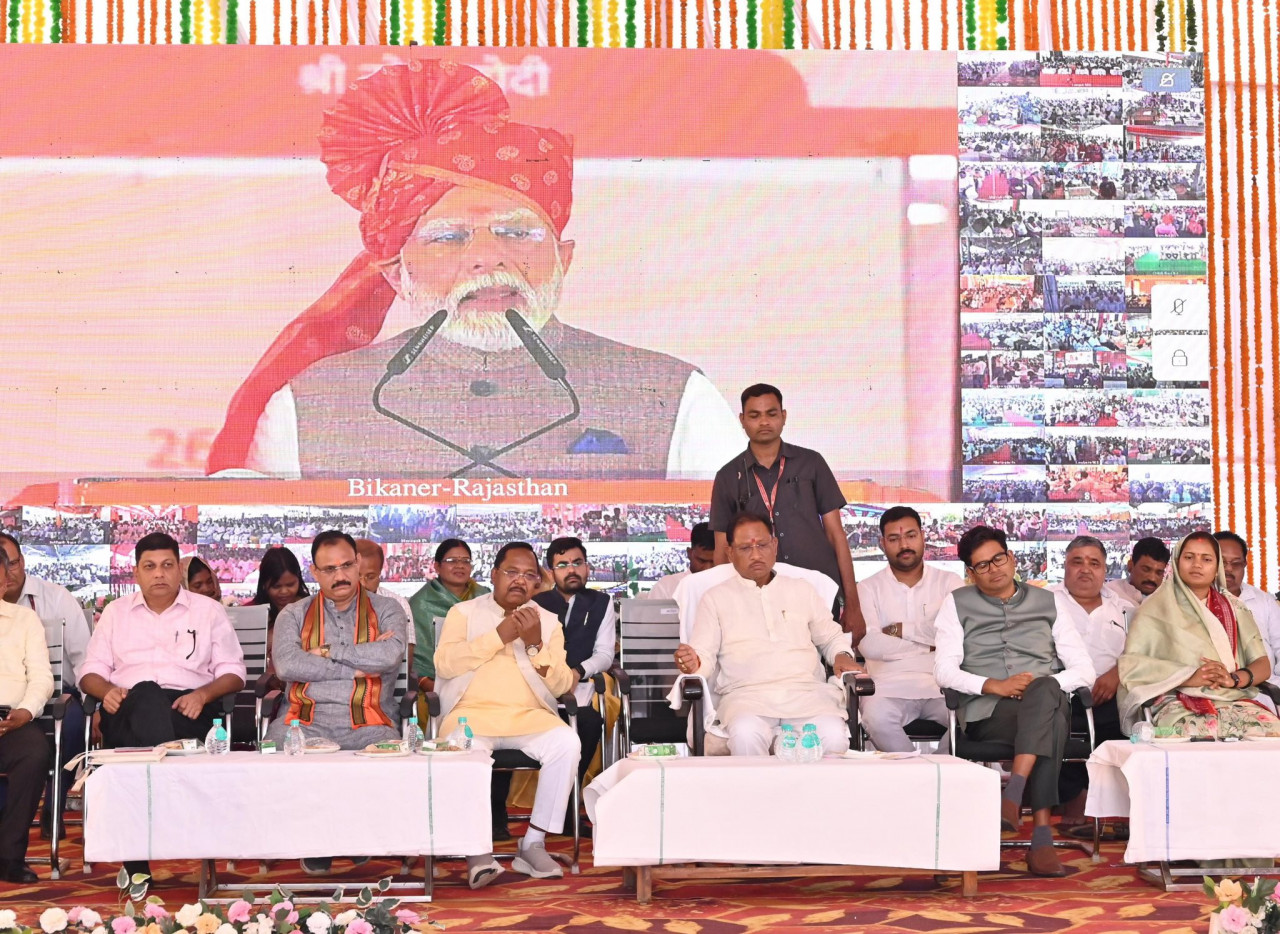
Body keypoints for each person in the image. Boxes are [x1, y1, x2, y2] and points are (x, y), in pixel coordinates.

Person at [207, 60, 741, 481]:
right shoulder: (308, 406)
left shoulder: (675, 395)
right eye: (448, 238)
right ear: (395, 276)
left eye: (516, 233)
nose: (487, 258)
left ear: (565, 260)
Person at [79, 532, 247, 881]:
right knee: (145, 693)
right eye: (150, 566)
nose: (159, 574)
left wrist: (203, 694)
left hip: (189, 710)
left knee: (138, 740)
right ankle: (173, 803)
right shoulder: (115, 613)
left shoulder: (208, 611)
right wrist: (106, 691)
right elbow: (89, 672)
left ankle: (137, 865)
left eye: (168, 565)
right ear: (136, 573)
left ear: (178, 570)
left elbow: (234, 672)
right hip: (126, 706)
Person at [933, 525, 1095, 878]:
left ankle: (1014, 794)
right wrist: (995, 686)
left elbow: (1085, 670)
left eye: (998, 559)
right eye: (982, 565)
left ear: (1011, 557)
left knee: (1046, 692)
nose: (994, 569)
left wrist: (1039, 687)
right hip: (990, 714)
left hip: (1043, 704)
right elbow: (944, 671)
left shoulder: (1048, 602)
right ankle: (1041, 839)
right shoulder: (956, 604)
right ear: (970, 573)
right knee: (1051, 716)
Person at [435, 541, 580, 888]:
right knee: (462, 750)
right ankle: (478, 851)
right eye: (512, 572)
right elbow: (445, 664)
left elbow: (562, 685)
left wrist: (534, 644)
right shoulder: (463, 613)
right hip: (470, 717)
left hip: (529, 715)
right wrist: (498, 637)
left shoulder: (548, 622)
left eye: (529, 575)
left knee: (567, 743)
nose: (519, 580)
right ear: (494, 574)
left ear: (537, 583)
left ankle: (533, 843)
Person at [265, 530, 408, 876]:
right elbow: (287, 666)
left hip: (370, 720)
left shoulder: (388, 609)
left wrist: (327, 651)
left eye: (346, 565)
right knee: (276, 751)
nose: (340, 576)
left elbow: (389, 655)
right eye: (329, 569)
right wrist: (356, 665)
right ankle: (320, 841)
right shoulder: (293, 614)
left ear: (358, 563)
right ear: (314, 572)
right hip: (303, 720)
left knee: (388, 754)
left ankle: (349, 837)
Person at [672, 512, 861, 757]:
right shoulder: (715, 598)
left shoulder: (801, 589)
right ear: (730, 553)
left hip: (806, 695)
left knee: (833, 736)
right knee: (745, 734)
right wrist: (693, 663)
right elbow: (703, 655)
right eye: (745, 548)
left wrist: (842, 655)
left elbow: (831, 637)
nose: (755, 555)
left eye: (762, 545)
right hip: (746, 698)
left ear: (774, 545)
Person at [708, 384, 866, 640]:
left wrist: (854, 606)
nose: (764, 422)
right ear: (742, 420)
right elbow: (722, 550)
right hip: (756, 597)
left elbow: (836, 535)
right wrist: (723, 610)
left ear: (783, 416)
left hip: (819, 590)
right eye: (755, 415)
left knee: (826, 658)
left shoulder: (811, 463)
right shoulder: (727, 476)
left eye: (771, 414)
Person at [1118, 532, 1279, 738]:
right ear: (1177, 562)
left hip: (1232, 698)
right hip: (1175, 699)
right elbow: (1132, 666)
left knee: (1272, 732)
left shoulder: (1235, 608)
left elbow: (1262, 664)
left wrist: (1233, 679)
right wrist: (1187, 676)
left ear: (1217, 567)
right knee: (1196, 731)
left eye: (1206, 559)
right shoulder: (1154, 608)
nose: (1197, 565)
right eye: (1189, 557)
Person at [1, 532, 92, 837]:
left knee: (73, 720)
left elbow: (83, 657)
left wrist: (92, 704)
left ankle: (54, 803)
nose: (7, 573)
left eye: (12, 564)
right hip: (10, 702)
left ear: (22, 561)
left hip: (59, 696)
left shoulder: (55, 598)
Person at [855, 507, 963, 752]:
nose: (904, 545)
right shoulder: (867, 588)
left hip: (943, 685)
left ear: (923, 536)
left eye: (911, 536)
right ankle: (918, 771)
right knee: (875, 719)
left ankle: (941, 768)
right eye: (894, 539)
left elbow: (959, 635)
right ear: (882, 543)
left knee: (972, 719)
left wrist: (900, 629)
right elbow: (869, 645)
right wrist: (930, 644)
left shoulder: (949, 582)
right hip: (886, 687)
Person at [1047, 535, 1130, 837]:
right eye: (1077, 562)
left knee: (1128, 721)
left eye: (1094, 563)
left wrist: (1117, 674)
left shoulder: (1124, 609)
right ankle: (1075, 797)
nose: (1085, 569)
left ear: (1105, 569)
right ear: (1064, 566)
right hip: (1061, 690)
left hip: (1110, 692)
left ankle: (1113, 805)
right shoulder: (1045, 602)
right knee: (1053, 720)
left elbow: (1140, 653)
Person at [532, 537, 616, 831]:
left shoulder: (601, 603)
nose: (572, 570)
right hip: (539, 695)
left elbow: (605, 654)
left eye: (577, 563)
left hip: (580, 692)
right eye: (563, 565)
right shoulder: (536, 604)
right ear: (550, 572)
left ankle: (568, 807)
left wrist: (579, 672)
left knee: (589, 723)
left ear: (587, 567)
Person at [0, 549, 54, 884]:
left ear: (4, 581)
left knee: (34, 753)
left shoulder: (25, 620)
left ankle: (9, 857)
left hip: (12, 720)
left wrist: (25, 711)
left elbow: (42, 677)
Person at [1214, 531, 1280, 694]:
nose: (1229, 569)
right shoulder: (1198, 600)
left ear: (1245, 564)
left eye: (1236, 563)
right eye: (1222, 562)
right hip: (1217, 689)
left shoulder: (1264, 600)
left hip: (1268, 688)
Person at [355, 538, 417, 658]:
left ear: (380, 573)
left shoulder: (399, 604)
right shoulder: (333, 604)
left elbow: (405, 661)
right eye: (357, 576)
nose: (362, 584)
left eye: (370, 577)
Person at [645, 523, 716, 600]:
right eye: (702, 561)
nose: (708, 568)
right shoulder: (666, 587)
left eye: (714, 562)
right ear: (689, 553)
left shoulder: (725, 588)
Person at [1104, 537, 1169, 608]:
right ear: (1130, 566)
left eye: (1159, 573)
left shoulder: (1170, 601)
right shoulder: (1108, 595)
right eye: (1146, 570)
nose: (1152, 578)